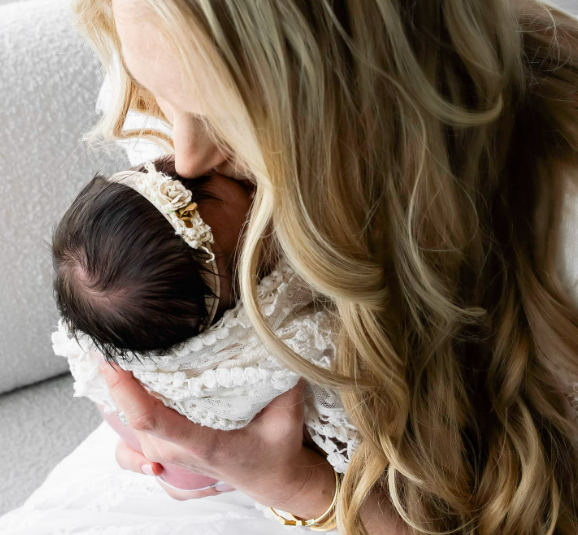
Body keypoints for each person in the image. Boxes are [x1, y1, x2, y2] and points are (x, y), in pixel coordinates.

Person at [71, 0, 578, 533]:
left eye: (228, 116)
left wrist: (293, 485)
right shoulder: (167, 68)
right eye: (164, 95)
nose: (186, 159)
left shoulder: (556, 229)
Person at [51, 156, 357, 508]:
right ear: (235, 312)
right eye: (253, 242)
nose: (258, 196)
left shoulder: (116, 330)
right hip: (271, 473)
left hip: (217, 470)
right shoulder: (278, 351)